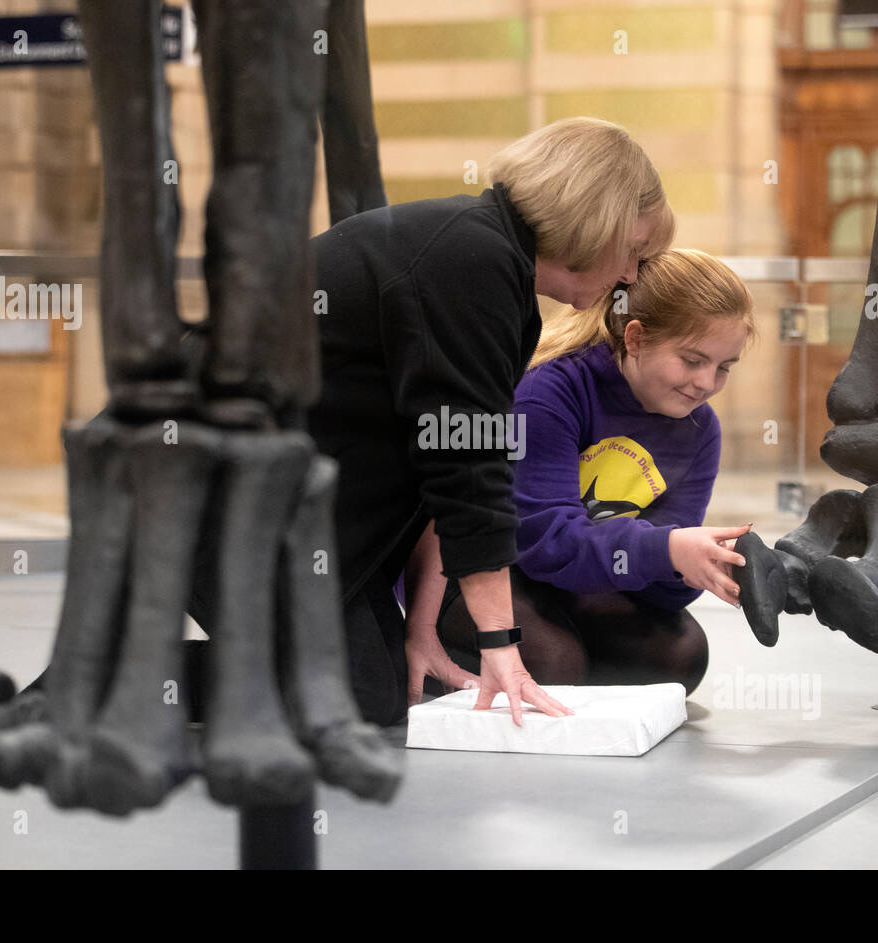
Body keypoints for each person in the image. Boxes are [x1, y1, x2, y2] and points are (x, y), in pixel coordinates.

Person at [307, 117, 676, 727]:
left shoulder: (492, 263)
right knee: (354, 703)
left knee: (380, 688)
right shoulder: (471, 261)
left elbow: (442, 463)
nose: (631, 276)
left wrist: (422, 627)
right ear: (593, 219)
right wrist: (500, 644)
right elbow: (470, 473)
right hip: (221, 503)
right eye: (634, 250)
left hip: (311, 521)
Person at [405, 249, 757, 701]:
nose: (707, 383)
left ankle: (572, 657)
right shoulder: (549, 391)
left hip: (574, 572)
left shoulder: (700, 428)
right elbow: (543, 542)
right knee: (554, 664)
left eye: (724, 367)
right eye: (692, 360)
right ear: (635, 338)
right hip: (488, 566)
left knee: (680, 658)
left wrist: (690, 569)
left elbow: (658, 593)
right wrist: (666, 548)